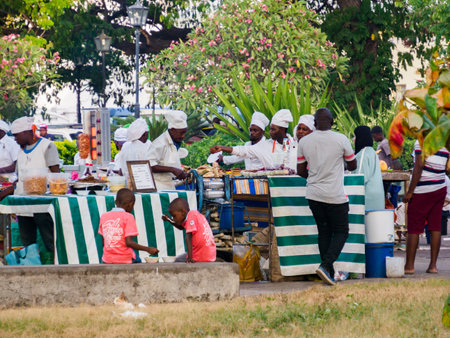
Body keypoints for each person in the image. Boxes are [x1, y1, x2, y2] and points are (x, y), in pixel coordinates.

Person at [297, 108, 357, 285]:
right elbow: (352, 165)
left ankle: (327, 273)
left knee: (324, 231)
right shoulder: (341, 139)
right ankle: (326, 265)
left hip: (314, 195)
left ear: (314, 124)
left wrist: (316, 178)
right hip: (335, 195)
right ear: (332, 122)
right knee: (341, 231)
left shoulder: (304, 142)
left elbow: (301, 170)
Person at [11, 117, 60, 254]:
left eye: (16, 136)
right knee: (28, 245)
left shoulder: (47, 146)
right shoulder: (21, 152)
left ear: (26, 132)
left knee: (50, 241)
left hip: (42, 204)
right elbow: (19, 178)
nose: (15, 139)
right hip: (23, 205)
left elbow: (56, 174)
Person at [403, 141, 449, 274]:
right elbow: (447, 169)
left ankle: (409, 266)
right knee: (435, 227)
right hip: (440, 187)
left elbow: (418, 167)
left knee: (414, 227)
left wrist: (410, 191)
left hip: (423, 189)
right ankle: (433, 266)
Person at [210, 109, 297, 172]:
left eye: (273, 129)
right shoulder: (265, 145)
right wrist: (222, 148)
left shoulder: (294, 144)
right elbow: (243, 151)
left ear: (282, 130)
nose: (270, 132)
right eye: (270, 129)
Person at [99, 188, 159, 264]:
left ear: (116, 202)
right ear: (131, 204)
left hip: (107, 259)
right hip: (125, 258)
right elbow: (129, 242)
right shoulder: (128, 217)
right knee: (138, 262)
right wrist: (148, 249)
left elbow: (103, 242)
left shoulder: (104, 216)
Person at [162, 197, 216, 263]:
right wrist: (169, 220)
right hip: (210, 256)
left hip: (200, 257)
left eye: (174, 216)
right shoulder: (196, 215)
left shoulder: (191, 215)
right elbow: (181, 227)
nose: (174, 219)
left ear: (183, 212)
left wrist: (190, 258)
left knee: (178, 261)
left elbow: (188, 238)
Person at [149, 110, 188, 190]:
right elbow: (149, 164)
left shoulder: (174, 142)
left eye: (185, 133)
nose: (183, 136)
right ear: (172, 130)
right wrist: (173, 170)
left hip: (171, 185)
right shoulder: (159, 143)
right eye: (181, 133)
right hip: (160, 187)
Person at [352, 126, 385, 210]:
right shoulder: (372, 151)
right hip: (377, 196)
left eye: (355, 136)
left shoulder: (363, 154)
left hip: (367, 198)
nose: (353, 139)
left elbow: (359, 178)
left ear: (360, 137)